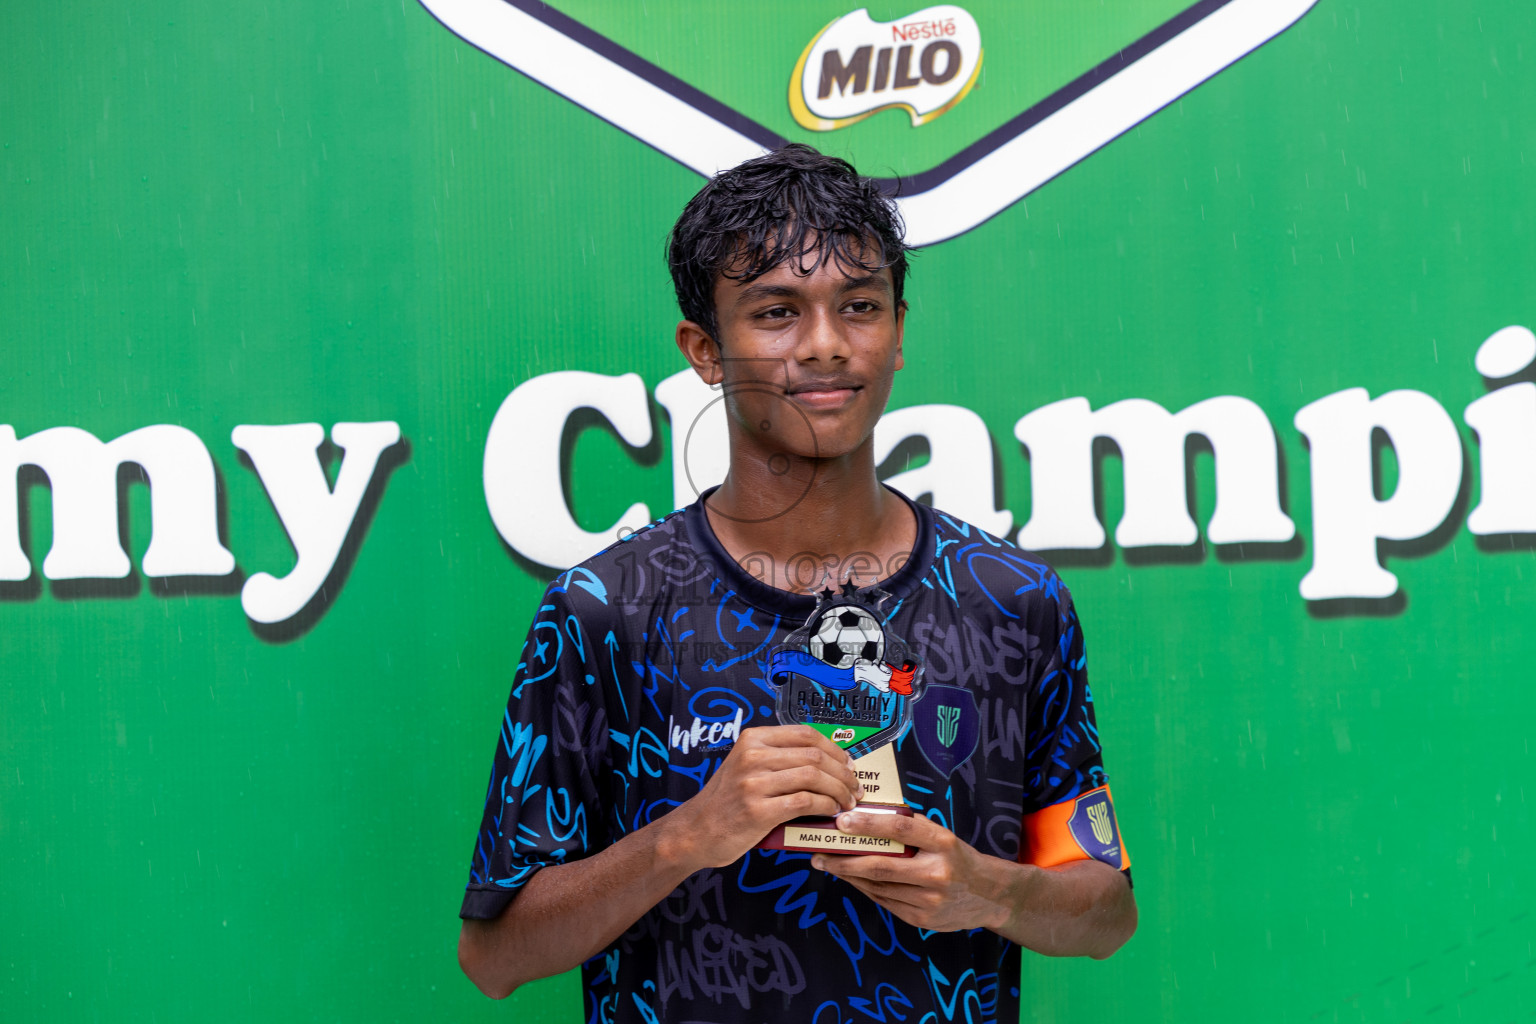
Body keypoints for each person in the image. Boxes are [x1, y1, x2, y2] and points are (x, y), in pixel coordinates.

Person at [457, 143, 1137, 1022]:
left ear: (897, 332)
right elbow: (495, 955)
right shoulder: (605, 611)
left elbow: (1106, 912)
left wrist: (986, 891)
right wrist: (687, 836)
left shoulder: (1013, 602)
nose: (824, 345)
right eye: (776, 312)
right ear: (705, 350)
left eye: (858, 307)